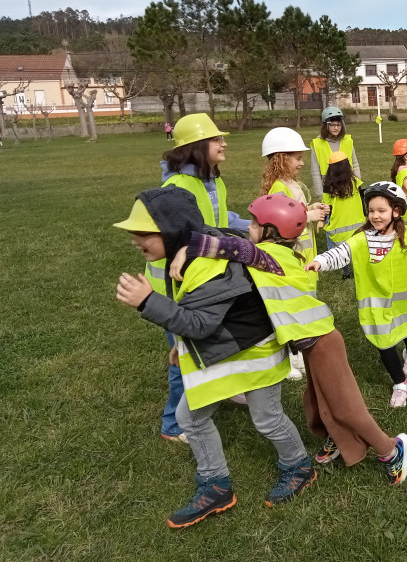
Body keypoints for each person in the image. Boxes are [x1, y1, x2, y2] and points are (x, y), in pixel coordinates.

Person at [174, 193, 407, 488]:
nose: (248, 227)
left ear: (270, 232)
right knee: (316, 403)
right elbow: (237, 239)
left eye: (254, 223)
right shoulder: (281, 253)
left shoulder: (269, 257)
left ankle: (391, 449)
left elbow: (237, 247)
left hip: (323, 343)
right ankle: (336, 439)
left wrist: (190, 247)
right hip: (308, 344)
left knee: (347, 407)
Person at [114, 188, 313, 528]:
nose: (135, 240)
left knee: (266, 418)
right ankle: (216, 484)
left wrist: (148, 303)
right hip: (228, 349)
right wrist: (181, 344)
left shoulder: (206, 266)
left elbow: (202, 324)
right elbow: (198, 312)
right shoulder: (190, 253)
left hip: (254, 352)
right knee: (190, 418)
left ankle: (298, 466)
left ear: (173, 229)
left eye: (144, 232)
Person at [148, 113, 251, 442]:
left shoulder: (213, 180)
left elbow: (222, 218)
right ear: (195, 146)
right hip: (176, 286)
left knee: (216, 339)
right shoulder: (178, 187)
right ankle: (172, 424)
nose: (224, 143)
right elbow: (179, 240)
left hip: (206, 275)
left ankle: (225, 390)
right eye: (216, 139)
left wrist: (255, 226)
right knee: (184, 353)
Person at [306, 182, 407, 407]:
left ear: (396, 211)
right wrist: (320, 261)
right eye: (371, 210)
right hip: (377, 308)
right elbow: (341, 252)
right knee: (384, 345)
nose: (375, 215)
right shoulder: (362, 238)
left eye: (381, 210)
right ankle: (400, 383)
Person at [260, 127, 330, 378]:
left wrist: (310, 207)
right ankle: (287, 357)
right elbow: (281, 225)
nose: (302, 163)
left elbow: (296, 210)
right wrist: (308, 215)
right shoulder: (279, 187)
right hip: (291, 259)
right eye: (297, 157)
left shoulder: (291, 184)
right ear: (281, 158)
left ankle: (296, 353)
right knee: (289, 307)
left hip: (304, 257)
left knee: (301, 304)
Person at [321, 151, 366, 279]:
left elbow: (327, 207)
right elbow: (362, 202)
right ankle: (360, 272)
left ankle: (346, 273)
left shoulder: (328, 187)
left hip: (339, 226)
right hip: (357, 224)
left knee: (341, 251)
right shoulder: (356, 182)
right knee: (358, 250)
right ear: (347, 166)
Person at [310, 107, 361, 202]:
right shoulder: (317, 144)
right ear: (325, 126)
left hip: (348, 186)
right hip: (329, 188)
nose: (336, 128)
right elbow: (315, 172)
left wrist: (357, 185)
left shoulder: (347, 141)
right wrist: (320, 195)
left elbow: (355, 164)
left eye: (338, 125)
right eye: (332, 125)